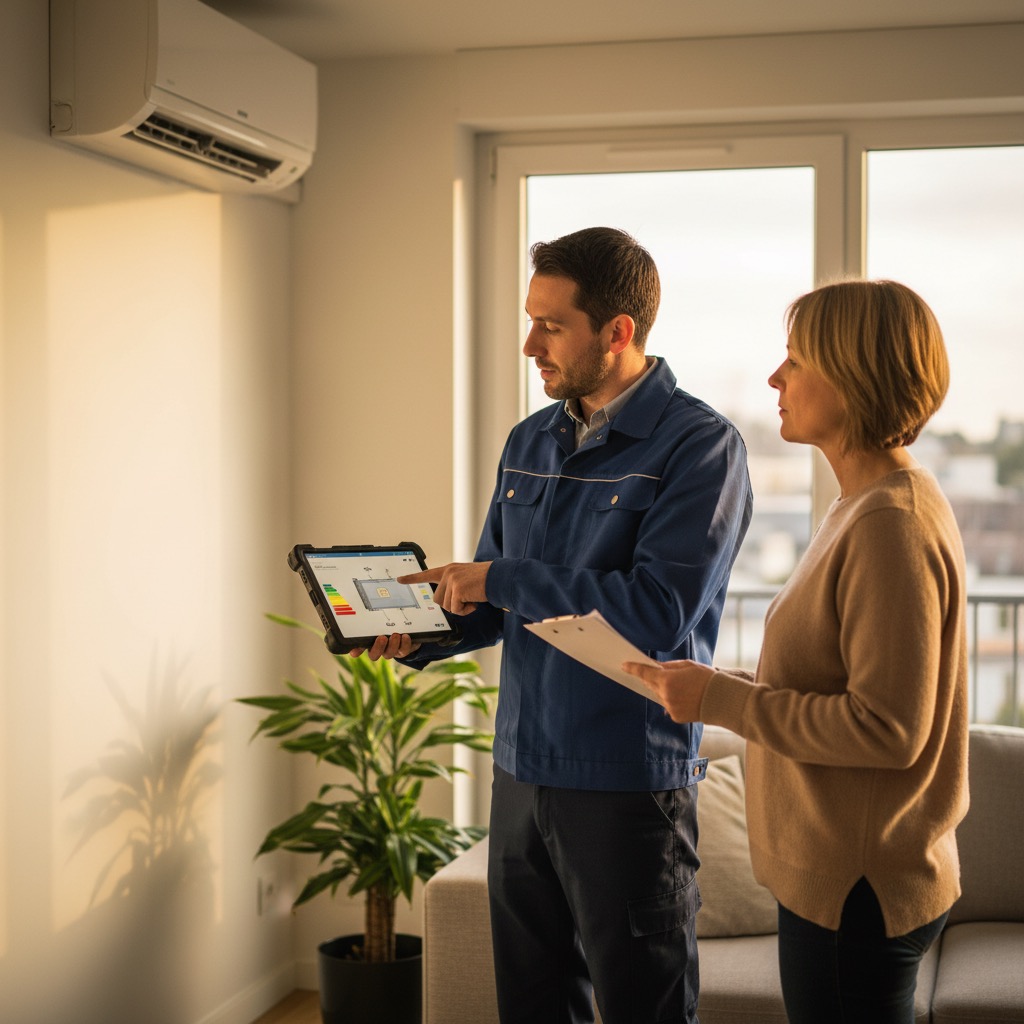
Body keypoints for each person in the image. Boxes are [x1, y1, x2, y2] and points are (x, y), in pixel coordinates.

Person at [356, 227, 752, 1023]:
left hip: (626, 783)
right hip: (521, 773)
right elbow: (500, 604)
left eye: (552, 324)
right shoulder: (528, 441)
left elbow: (658, 612)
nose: (530, 343)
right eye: (529, 318)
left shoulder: (701, 446)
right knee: (532, 1005)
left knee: (644, 1007)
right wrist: (422, 633)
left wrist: (497, 577)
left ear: (617, 332)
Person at [624, 278, 970, 1024]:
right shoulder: (864, 504)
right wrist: (722, 681)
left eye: (795, 360)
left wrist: (722, 700)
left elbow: (887, 728)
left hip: (858, 895)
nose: (776, 378)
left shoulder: (890, 523)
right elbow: (833, 677)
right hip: (850, 886)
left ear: (852, 376)